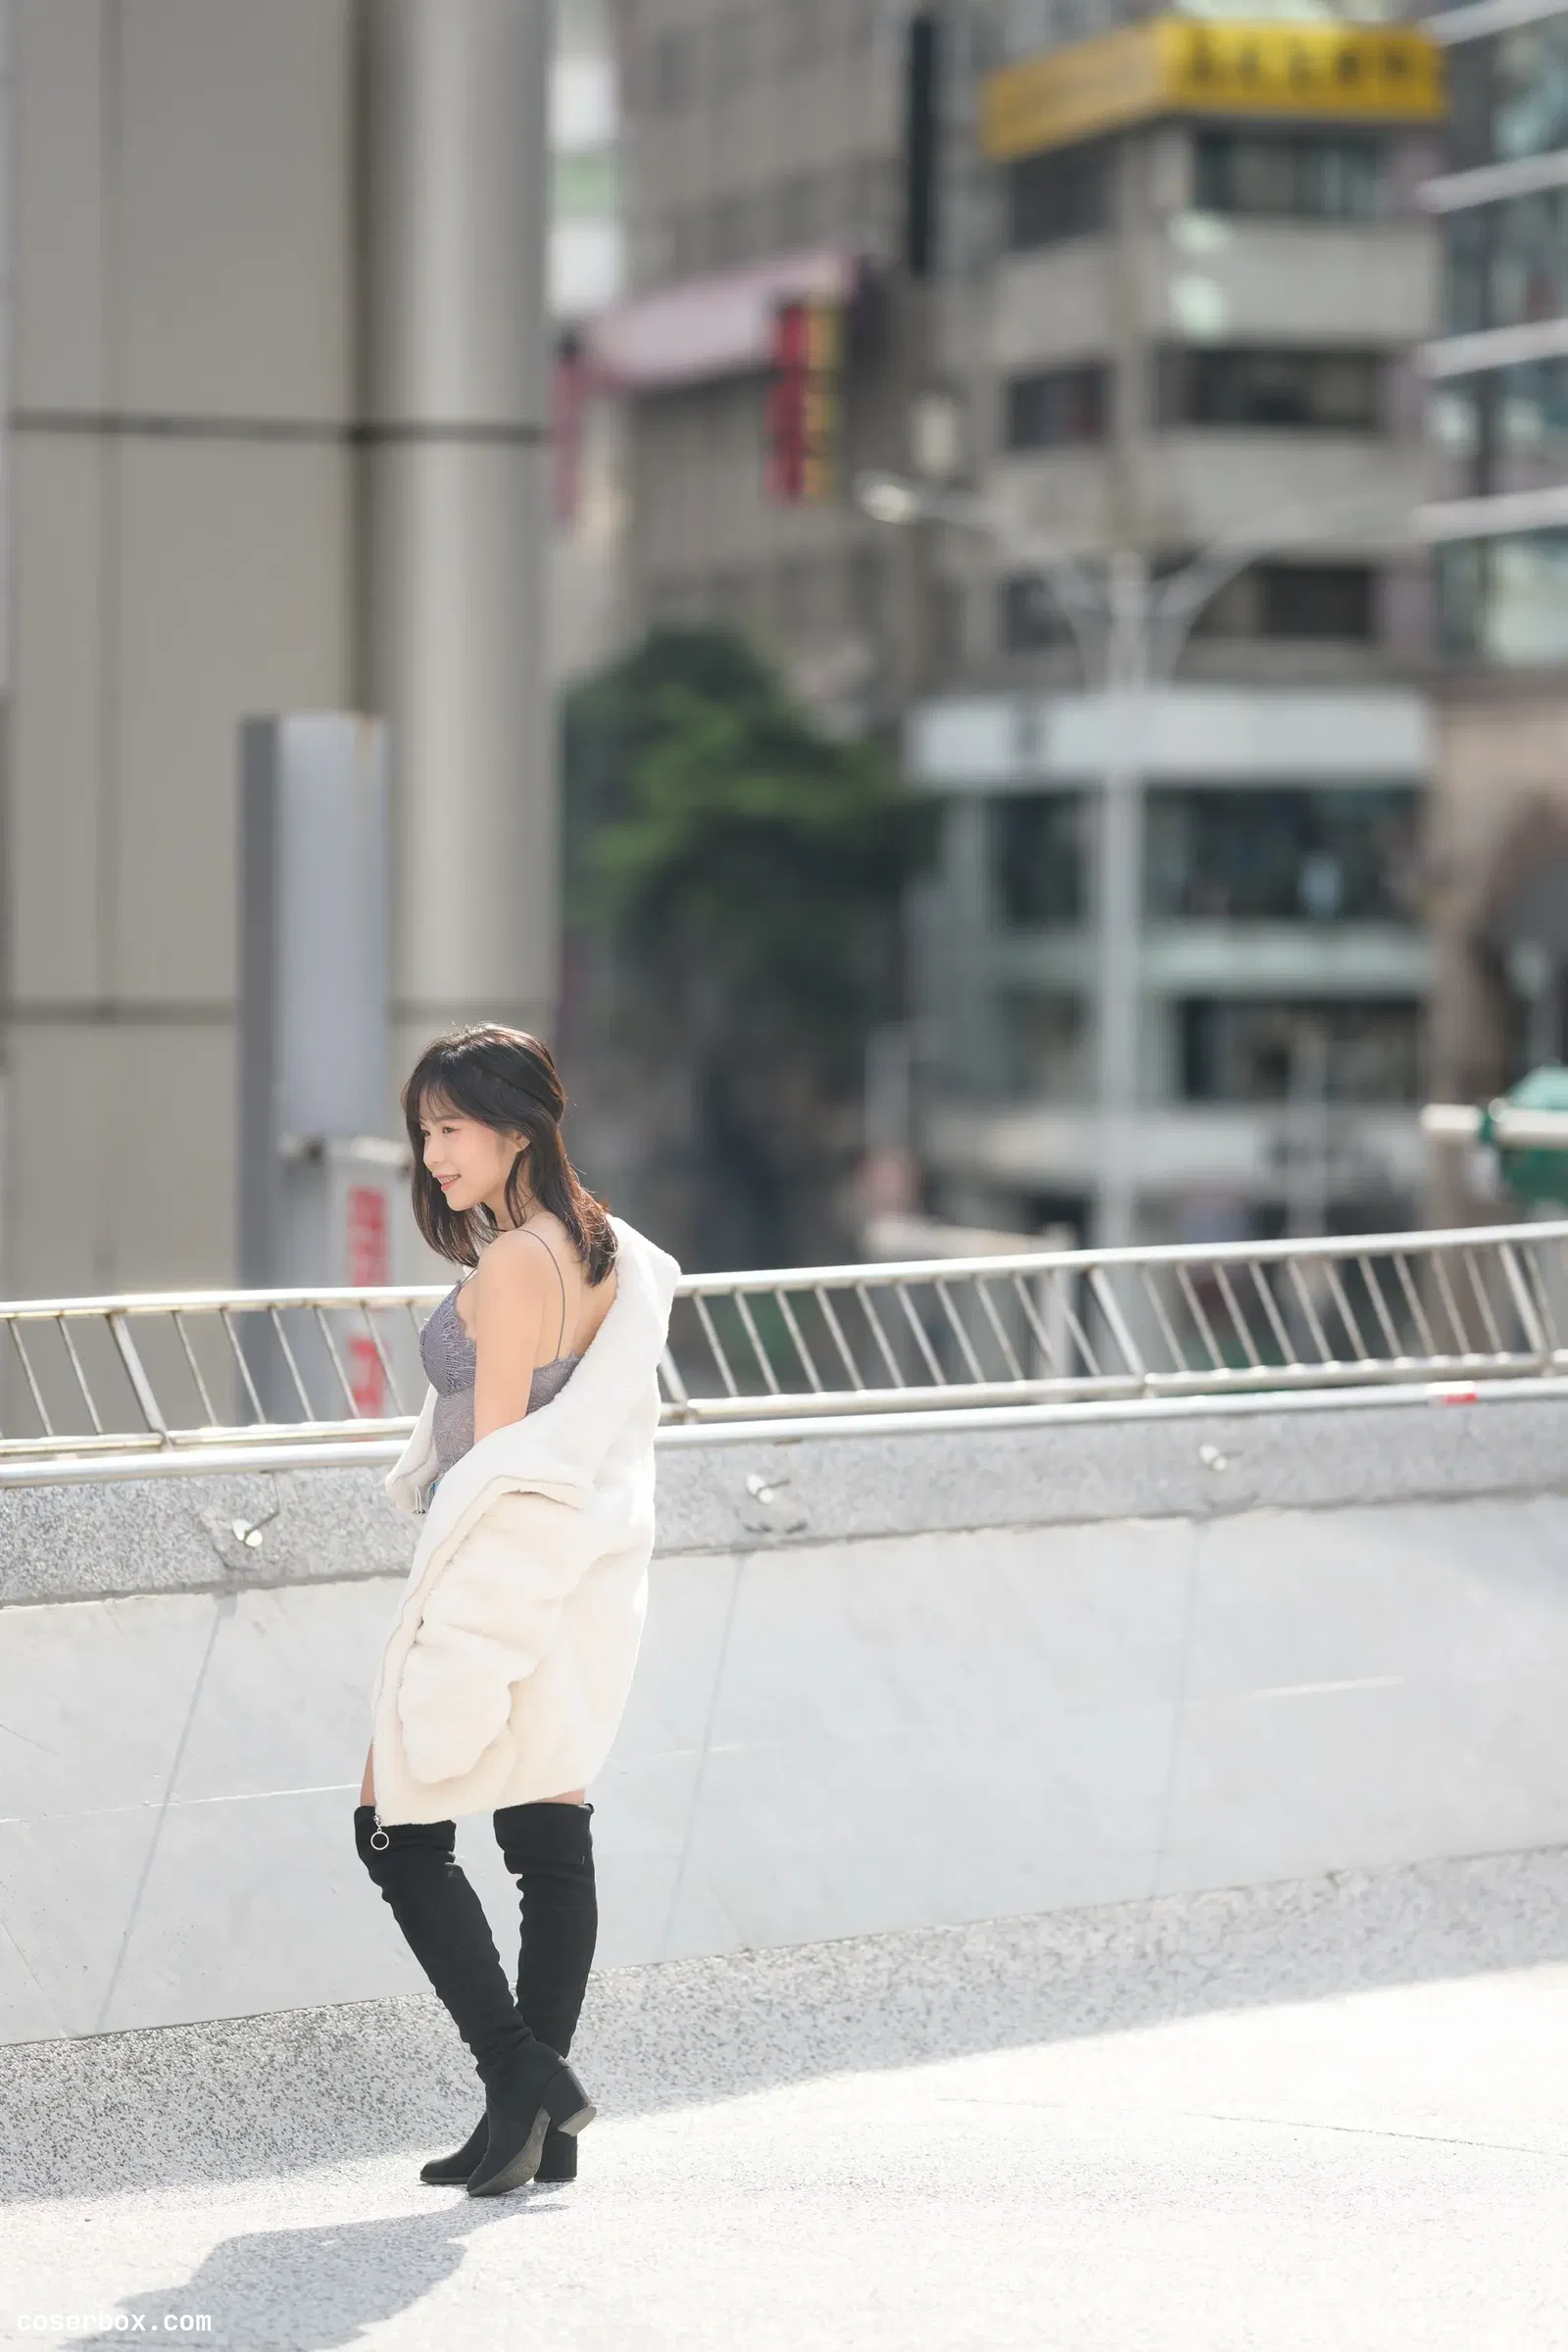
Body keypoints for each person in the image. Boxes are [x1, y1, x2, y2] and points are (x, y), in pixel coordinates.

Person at [354, 1023, 680, 2199]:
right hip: (578, 1574)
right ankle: (533, 2131)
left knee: (391, 1828)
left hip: (505, 1578)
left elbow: (493, 1469)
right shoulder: (602, 1250)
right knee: (547, 1835)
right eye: (423, 1131)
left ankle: (524, 2073)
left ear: (515, 1126)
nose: (433, 1154)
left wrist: (454, 1625)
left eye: (451, 1127)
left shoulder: (514, 1265)